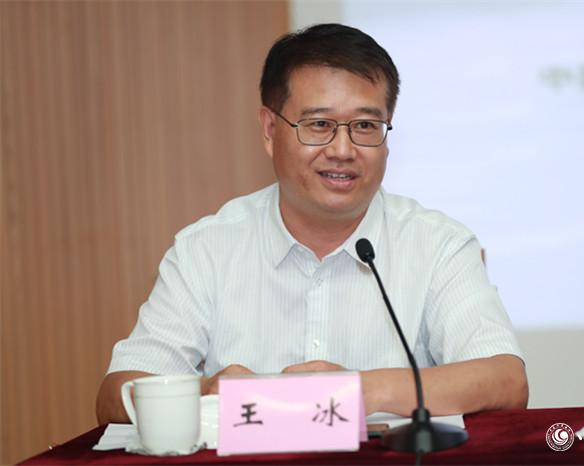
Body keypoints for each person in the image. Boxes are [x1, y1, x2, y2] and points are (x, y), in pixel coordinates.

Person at [96, 23, 528, 425]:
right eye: (319, 124)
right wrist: (205, 391)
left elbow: (506, 381)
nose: (342, 150)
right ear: (270, 129)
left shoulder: (438, 244)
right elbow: (115, 397)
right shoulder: (206, 249)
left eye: (365, 125)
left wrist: (361, 391)